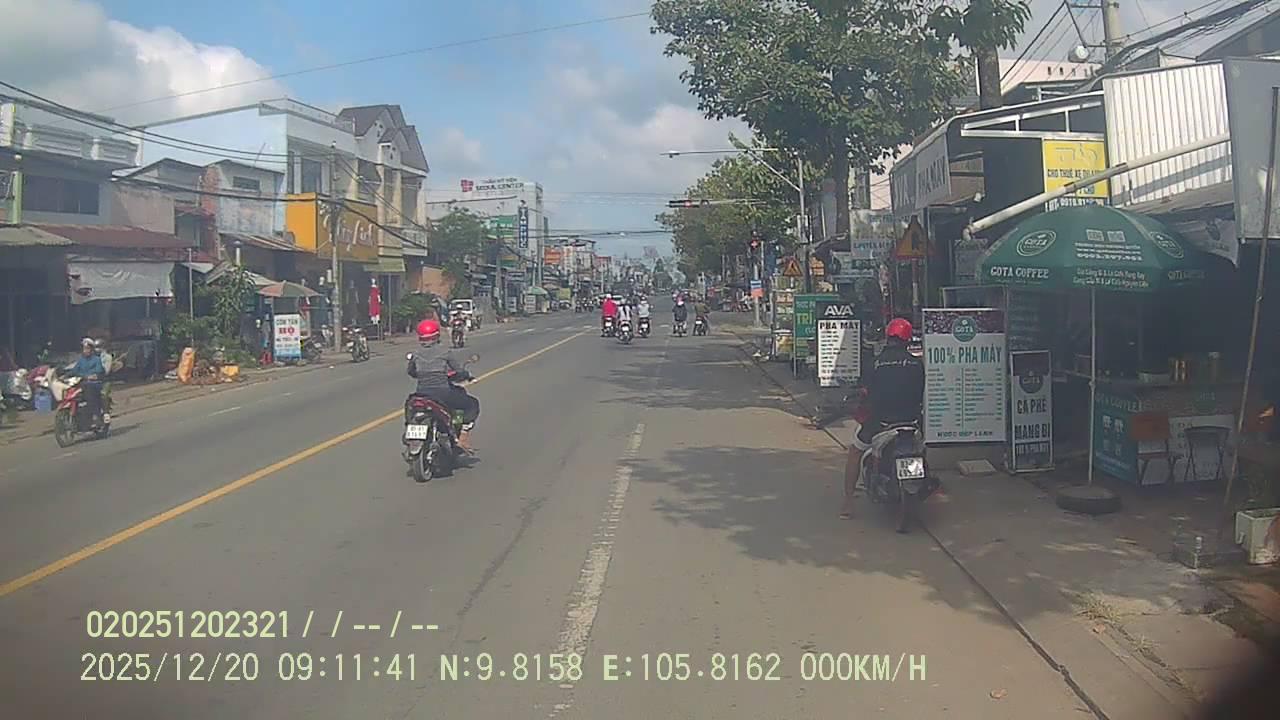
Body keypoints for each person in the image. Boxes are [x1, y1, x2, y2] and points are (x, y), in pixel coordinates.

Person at [840, 318, 924, 519]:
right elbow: (920, 392)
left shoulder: (875, 363)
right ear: (908, 339)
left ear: (887, 336)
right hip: (911, 422)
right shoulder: (916, 364)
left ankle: (848, 502)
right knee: (921, 449)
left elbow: (865, 391)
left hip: (880, 423)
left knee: (855, 451)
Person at [405, 324, 480, 452]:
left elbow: (411, 372)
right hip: (443, 394)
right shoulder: (445, 352)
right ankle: (463, 434)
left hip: (421, 394)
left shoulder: (416, 354)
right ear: (437, 336)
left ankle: (409, 431)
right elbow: (459, 371)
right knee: (471, 404)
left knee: (410, 405)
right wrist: (466, 375)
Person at [69, 337, 106, 425]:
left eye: (87, 349)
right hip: (82, 383)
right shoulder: (81, 360)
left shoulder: (96, 360)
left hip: (94, 384)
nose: (85, 351)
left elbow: (99, 370)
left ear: (91, 350)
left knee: (89, 390)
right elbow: (74, 370)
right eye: (84, 349)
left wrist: (91, 376)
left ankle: (95, 414)